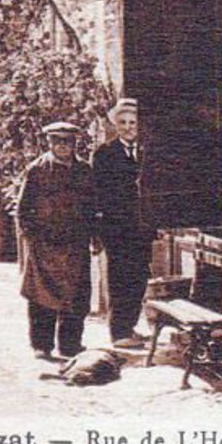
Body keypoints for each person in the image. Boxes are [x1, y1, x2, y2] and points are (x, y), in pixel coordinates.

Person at [11, 121, 94, 361]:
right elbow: (23, 209)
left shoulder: (84, 171)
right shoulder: (37, 170)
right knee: (42, 296)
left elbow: (92, 206)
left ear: (74, 143)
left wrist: (94, 236)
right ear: (49, 143)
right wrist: (32, 238)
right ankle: (42, 345)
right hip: (45, 244)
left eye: (67, 141)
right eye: (57, 141)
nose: (62, 146)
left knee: (76, 297)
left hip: (76, 244)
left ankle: (70, 345)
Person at [92, 98, 152, 348]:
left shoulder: (147, 153)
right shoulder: (104, 154)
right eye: (123, 123)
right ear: (116, 125)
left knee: (138, 278)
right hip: (117, 229)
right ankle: (118, 333)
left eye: (133, 123)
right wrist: (99, 230)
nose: (128, 127)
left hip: (142, 229)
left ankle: (130, 327)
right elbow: (97, 194)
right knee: (120, 279)